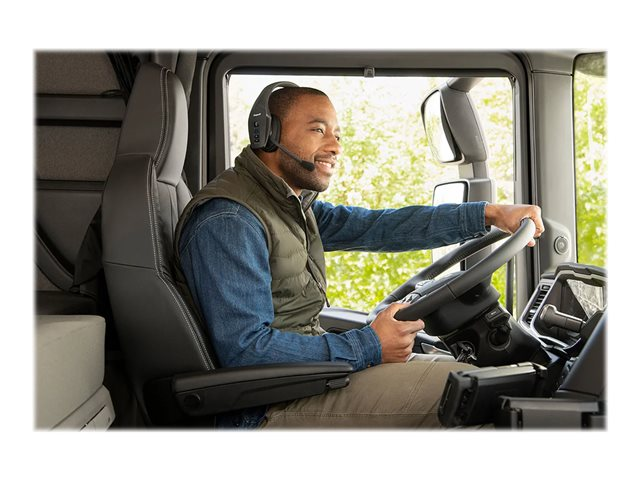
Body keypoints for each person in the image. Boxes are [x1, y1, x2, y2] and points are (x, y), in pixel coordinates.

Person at [174, 84, 545, 428]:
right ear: (266, 134)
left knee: (468, 375)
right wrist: (371, 344)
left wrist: (488, 214)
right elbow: (245, 351)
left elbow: (377, 227)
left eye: (337, 134)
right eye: (318, 130)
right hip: (267, 407)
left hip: (305, 380)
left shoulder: (289, 206)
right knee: (478, 397)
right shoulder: (230, 220)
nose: (335, 146)